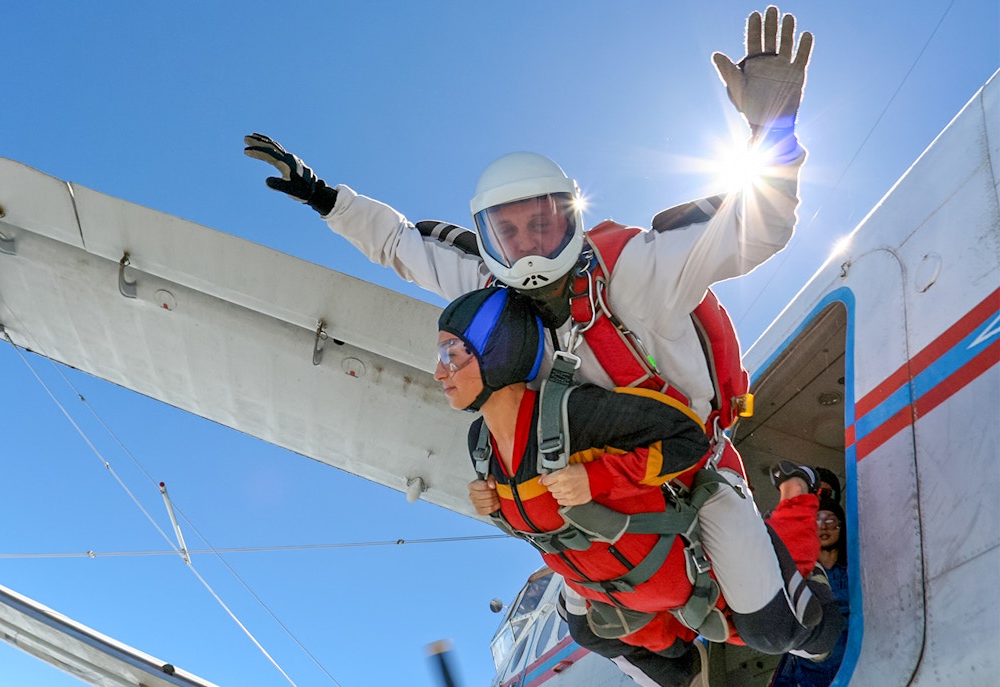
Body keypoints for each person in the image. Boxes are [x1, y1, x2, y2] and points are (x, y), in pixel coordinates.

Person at [247, 4, 828, 661]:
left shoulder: (636, 270)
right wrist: (327, 198)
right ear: (489, 237)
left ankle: (802, 584)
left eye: (541, 223)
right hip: (591, 477)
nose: (525, 244)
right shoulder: (489, 292)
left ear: (570, 218)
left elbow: (759, 226)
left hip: (690, 464)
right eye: (508, 231)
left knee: (774, 630)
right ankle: (674, 653)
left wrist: (773, 130)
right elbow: (401, 245)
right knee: (588, 626)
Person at [436, 287, 843, 687]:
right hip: (617, 584)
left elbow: (688, 440)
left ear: (497, 351)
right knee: (587, 630)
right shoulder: (481, 445)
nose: (439, 373)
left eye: (450, 355)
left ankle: (799, 499)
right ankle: (687, 674)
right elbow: (538, 517)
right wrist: (493, 504)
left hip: (674, 545)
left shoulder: (573, 412)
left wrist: (596, 477)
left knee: (779, 631)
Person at [769, 465, 851, 687]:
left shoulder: (852, 568)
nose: (823, 526)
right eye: (812, 493)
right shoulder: (791, 560)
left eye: (830, 520)